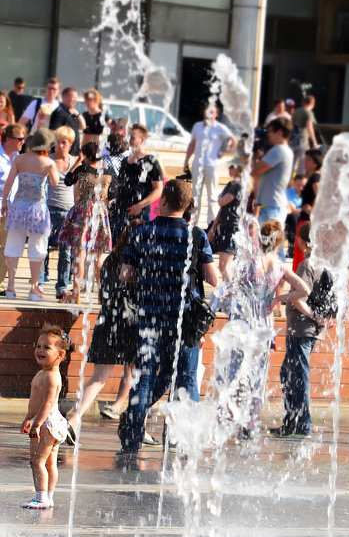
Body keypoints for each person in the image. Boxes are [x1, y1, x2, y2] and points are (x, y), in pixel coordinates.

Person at [117, 180, 217, 460]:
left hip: (150, 315)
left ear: (162, 202)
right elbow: (213, 278)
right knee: (185, 378)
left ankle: (132, 439)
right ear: (187, 207)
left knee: (144, 377)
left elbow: (125, 274)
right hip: (184, 321)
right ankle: (181, 439)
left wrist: (148, 277)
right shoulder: (196, 235)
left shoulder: (142, 232)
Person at [224, 220, 309, 438]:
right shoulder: (280, 266)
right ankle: (250, 425)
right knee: (258, 376)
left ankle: (231, 419)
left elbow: (233, 288)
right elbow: (304, 290)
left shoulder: (250, 262)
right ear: (279, 244)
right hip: (264, 321)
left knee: (236, 371)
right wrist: (280, 297)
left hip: (245, 321)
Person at [65, 222, 140, 442]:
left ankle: (73, 419)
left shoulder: (108, 260)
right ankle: (133, 422)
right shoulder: (140, 262)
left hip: (107, 319)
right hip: (131, 321)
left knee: (98, 378)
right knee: (137, 373)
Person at [270, 222, 327, 438]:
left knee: (298, 375)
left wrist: (313, 316)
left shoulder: (306, 265)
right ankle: (292, 420)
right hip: (309, 330)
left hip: (303, 328)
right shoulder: (323, 263)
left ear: (301, 241)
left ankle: (302, 424)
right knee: (288, 372)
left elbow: (299, 297)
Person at [19, 324, 75, 509]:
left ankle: (41, 498)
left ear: (60, 355)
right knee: (50, 462)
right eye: (38, 346)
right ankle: (48, 497)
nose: (40, 350)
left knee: (37, 461)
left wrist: (37, 424)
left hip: (47, 422)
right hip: (52, 421)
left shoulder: (51, 376)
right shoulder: (44, 372)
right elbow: (36, 401)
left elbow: (48, 403)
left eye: (47, 347)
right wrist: (29, 417)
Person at [1, 128, 58, 300]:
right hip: (37, 208)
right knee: (37, 248)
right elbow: (55, 183)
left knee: (13, 246)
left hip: (18, 207)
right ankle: (34, 288)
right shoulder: (48, 163)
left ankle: (10, 286)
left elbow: (9, 183)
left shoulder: (20, 159)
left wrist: (4, 203)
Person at [58, 141, 112, 303]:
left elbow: (67, 180)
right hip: (100, 212)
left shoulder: (82, 169)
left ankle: (76, 294)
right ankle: (102, 296)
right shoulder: (108, 172)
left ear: (86, 156)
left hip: (83, 211)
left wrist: (76, 162)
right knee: (98, 258)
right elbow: (114, 194)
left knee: (79, 254)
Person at [110, 122, 163, 243]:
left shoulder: (150, 161)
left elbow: (158, 189)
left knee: (139, 247)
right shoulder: (124, 161)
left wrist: (140, 205)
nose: (129, 140)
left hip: (140, 212)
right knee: (118, 248)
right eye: (128, 137)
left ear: (142, 140)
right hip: (120, 211)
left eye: (133, 137)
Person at [183, 104, 237, 224]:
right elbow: (192, 144)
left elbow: (233, 140)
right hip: (198, 163)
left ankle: (211, 222)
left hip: (211, 164)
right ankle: (193, 221)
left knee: (212, 195)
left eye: (212, 112)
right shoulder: (198, 126)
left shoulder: (219, 127)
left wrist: (222, 151)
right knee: (196, 194)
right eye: (208, 112)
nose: (210, 115)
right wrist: (186, 160)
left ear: (216, 114)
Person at [47, 126, 76, 298]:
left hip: (68, 210)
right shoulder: (49, 160)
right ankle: (41, 280)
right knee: (43, 247)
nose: (60, 145)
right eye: (57, 142)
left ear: (70, 145)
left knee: (66, 252)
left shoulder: (74, 162)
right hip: (49, 208)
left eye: (64, 142)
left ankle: (62, 286)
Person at [252, 116, 294, 233]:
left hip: (273, 207)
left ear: (279, 132)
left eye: (269, 131)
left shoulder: (279, 150)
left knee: (271, 247)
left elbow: (254, 170)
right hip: (271, 206)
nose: (267, 134)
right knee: (270, 248)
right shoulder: (282, 150)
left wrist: (244, 153)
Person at [207, 157, 245, 281]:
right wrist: (214, 226)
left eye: (232, 167)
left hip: (232, 227)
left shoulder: (238, 186)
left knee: (225, 266)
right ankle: (228, 291)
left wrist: (219, 198)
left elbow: (222, 201)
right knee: (224, 266)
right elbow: (222, 206)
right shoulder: (230, 184)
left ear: (238, 169)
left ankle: (230, 293)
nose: (229, 169)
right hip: (224, 225)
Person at [0, 123, 26, 297]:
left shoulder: (19, 158)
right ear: (8, 139)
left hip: (11, 211)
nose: (23, 142)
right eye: (20, 138)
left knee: (5, 249)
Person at [292, 148, 323, 271]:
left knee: (301, 253)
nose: (305, 162)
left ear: (315, 163)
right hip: (306, 219)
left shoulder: (315, 177)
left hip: (307, 221)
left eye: (308, 160)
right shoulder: (313, 177)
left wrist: (313, 211)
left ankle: (299, 281)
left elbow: (320, 194)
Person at [49, 87, 84, 156]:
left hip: (72, 153)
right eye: (73, 97)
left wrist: (78, 114)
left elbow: (83, 126)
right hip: (63, 155)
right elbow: (53, 132)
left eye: (76, 98)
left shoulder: (71, 112)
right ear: (64, 97)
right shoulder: (60, 112)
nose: (76, 100)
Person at [291, 95, 318, 176]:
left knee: (292, 162)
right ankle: (299, 182)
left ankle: (288, 183)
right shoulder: (309, 113)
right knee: (302, 164)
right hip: (303, 139)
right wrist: (314, 142)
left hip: (293, 139)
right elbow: (309, 126)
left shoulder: (296, 111)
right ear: (313, 104)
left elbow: (291, 124)